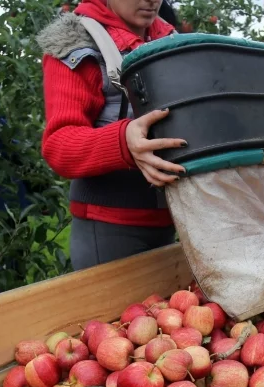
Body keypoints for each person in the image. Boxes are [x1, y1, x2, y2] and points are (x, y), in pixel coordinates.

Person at [37, 0, 187, 271]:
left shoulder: (171, 41)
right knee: (116, 312)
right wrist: (122, 141)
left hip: (173, 217)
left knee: (164, 310)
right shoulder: (76, 46)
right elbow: (59, 145)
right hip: (110, 225)